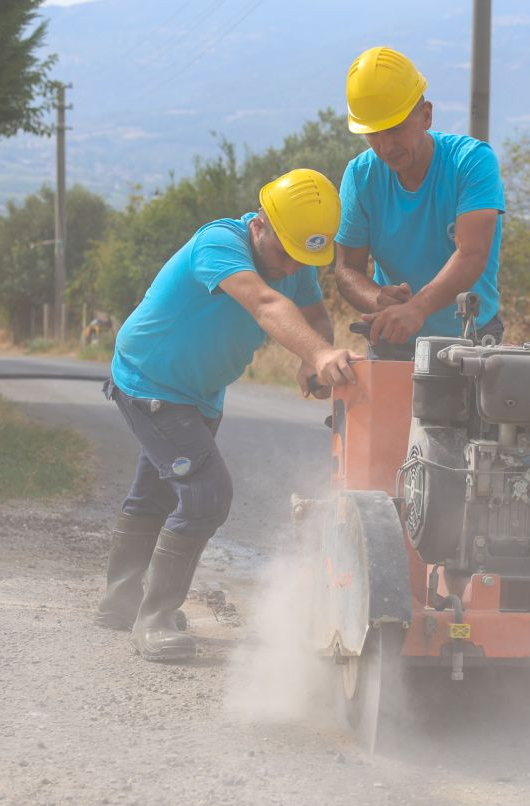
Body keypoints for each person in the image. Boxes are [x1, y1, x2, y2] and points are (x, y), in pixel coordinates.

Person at [96, 168, 359, 663]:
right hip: (150, 381)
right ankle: (153, 620)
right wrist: (323, 357)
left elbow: (312, 312)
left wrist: (312, 352)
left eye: (301, 259)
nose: (288, 268)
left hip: (199, 391)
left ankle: (120, 602)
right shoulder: (219, 244)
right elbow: (265, 303)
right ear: (260, 224)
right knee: (204, 493)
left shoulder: (292, 254)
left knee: (157, 489)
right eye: (284, 255)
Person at [334, 46, 506, 352]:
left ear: (426, 115)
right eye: (373, 134)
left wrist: (418, 308)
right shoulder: (359, 176)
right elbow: (347, 270)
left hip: (471, 339)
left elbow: (472, 253)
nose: (386, 147)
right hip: (393, 339)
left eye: (396, 129)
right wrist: (378, 298)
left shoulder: (472, 161)